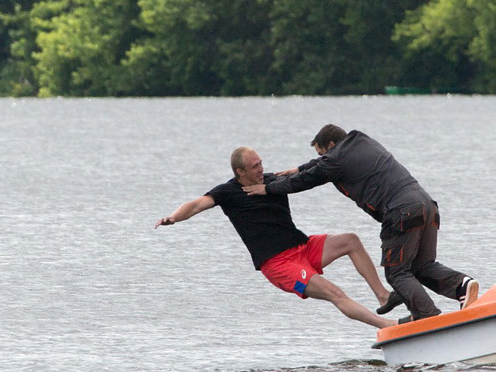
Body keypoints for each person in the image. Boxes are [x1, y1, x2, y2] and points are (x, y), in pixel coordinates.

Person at [246, 125, 478, 323]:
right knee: (422, 266)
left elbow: (309, 179)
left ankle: (427, 319)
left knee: (397, 273)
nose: (322, 159)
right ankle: (462, 286)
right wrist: (299, 168)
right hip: (427, 205)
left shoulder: (335, 160)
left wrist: (268, 188)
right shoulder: (362, 141)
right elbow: (318, 165)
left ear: (332, 144)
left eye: (322, 153)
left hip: (401, 212)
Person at [156, 146, 395, 330]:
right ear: (240, 172)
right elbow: (197, 205)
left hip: (303, 248)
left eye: (261, 163)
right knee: (335, 293)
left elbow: (309, 173)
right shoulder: (227, 192)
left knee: (350, 240)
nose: (260, 169)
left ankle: (382, 295)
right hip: (280, 266)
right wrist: (173, 218)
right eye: (254, 167)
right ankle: (389, 327)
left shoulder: (272, 181)